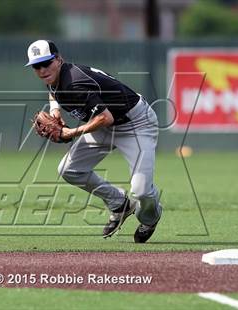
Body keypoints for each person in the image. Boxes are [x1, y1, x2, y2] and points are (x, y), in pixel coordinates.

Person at [25, 40, 162, 243]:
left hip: (135, 124)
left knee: (141, 190)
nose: (43, 69)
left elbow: (105, 117)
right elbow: (52, 90)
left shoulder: (74, 82)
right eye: (37, 66)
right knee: (69, 169)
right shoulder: (55, 77)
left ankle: (150, 218)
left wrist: (71, 133)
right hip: (106, 125)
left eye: (47, 62)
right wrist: (55, 111)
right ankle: (119, 203)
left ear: (59, 59)